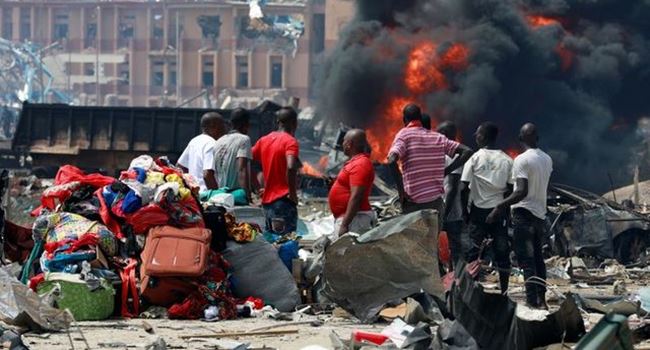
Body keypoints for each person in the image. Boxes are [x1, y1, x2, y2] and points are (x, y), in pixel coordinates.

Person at [487, 123, 552, 309]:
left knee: (526, 260)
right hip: (540, 215)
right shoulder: (547, 159)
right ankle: (542, 299)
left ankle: (532, 302)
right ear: (537, 138)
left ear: (520, 138)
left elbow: (521, 191)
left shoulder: (521, 160)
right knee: (539, 260)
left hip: (523, 214)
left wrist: (499, 206)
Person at [388, 104, 472, 224]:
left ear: (404, 120)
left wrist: (401, 192)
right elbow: (467, 151)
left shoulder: (404, 135)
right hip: (436, 203)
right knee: (432, 241)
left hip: (414, 203)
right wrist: (446, 171)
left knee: (416, 242)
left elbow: (391, 161)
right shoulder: (438, 137)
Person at [460, 122, 513, 294]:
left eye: (478, 133)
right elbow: (511, 190)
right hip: (499, 213)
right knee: (502, 254)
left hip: (478, 213)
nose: (475, 136)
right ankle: (504, 291)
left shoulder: (474, 158)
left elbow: (463, 187)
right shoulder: (507, 160)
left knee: (473, 252)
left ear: (484, 136)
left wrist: (465, 212)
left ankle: (471, 291)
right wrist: (503, 210)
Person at [252, 107, 300, 234]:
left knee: (272, 243)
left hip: (267, 203)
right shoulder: (290, 141)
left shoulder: (264, 140)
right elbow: (291, 167)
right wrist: (293, 193)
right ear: (294, 123)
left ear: (277, 122)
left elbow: (247, 160)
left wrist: (257, 186)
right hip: (283, 202)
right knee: (285, 243)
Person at [328, 129, 376, 237]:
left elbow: (356, 196)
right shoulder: (354, 162)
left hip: (355, 220)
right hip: (351, 219)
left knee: (346, 253)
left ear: (349, 144)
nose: (342, 144)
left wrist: (345, 225)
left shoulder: (360, 164)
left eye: (344, 141)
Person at [436, 121, 465, 269]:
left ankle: (458, 280)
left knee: (455, 247)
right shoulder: (442, 153)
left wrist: (444, 213)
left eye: (439, 134)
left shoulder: (454, 155)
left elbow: (453, 187)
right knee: (441, 247)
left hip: (450, 212)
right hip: (441, 209)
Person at [177, 112, 226, 191]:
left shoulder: (194, 141)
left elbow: (180, 166)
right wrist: (216, 195)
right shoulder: (212, 144)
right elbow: (207, 175)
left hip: (194, 194)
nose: (224, 130)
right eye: (222, 126)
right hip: (206, 195)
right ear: (214, 127)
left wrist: (189, 184)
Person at [213, 108, 252, 202]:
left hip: (220, 197)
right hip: (235, 197)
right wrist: (247, 197)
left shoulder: (219, 141)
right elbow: (242, 169)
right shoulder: (244, 139)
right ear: (246, 125)